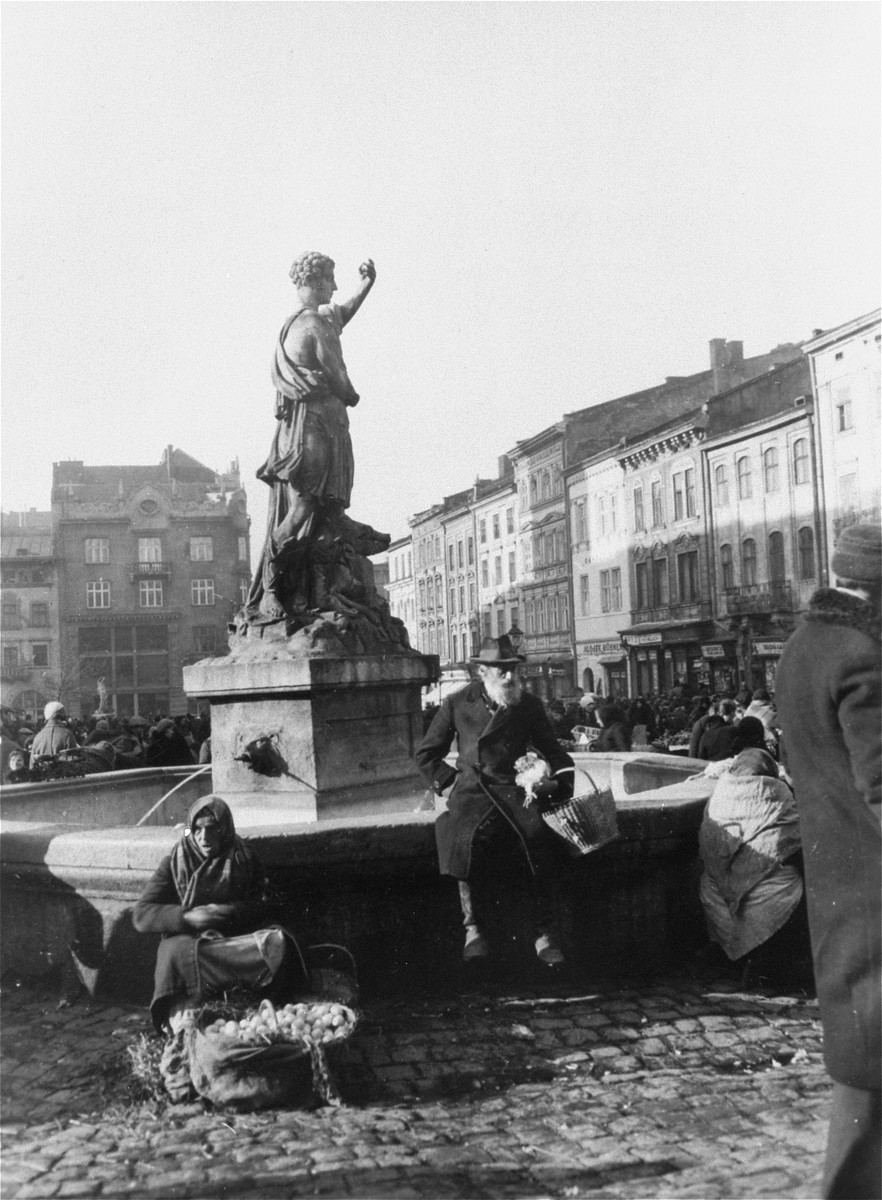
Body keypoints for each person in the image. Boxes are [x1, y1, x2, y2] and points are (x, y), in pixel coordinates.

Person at [776, 522, 881, 1200]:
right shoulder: (861, 656)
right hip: (876, 886)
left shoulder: (798, 649)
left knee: (863, 1066)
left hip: (835, 881)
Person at [415, 635, 575, 966]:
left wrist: (557, 782)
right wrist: (450, 783)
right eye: (501, 670)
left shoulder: (528, 705)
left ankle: (544, 934)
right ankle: (472, 929)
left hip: (518, 790)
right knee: (461, 837)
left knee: (540, 838)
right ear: (482, 671)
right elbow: (427, 754)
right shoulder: (457, 703)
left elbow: (554, 751)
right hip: (474, 792)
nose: (509, 676)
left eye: (512, 669)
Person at [241, 252, 380, 621]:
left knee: (329, 514)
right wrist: (352, 396)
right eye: (331, 281)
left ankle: (322, 592)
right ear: (316, 281)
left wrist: (365, 287)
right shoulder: (314, 327)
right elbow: (338, 376)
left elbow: (342, 314)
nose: (335, 288)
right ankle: (272, 590)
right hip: (313, 430)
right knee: (304, 508)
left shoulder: (306, 322)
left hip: (322, 426)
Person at [132, 796, 301, 1033]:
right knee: (173, 952)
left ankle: (256, 1005)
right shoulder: (177, 859)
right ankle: (187, 1010)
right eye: (197, 829)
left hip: (233, 942)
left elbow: (266, 901)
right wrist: (187, 917)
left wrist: (231, 911)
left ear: (225, 829)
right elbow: (141, 913)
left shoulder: (243, 857)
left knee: (277, 941)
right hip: (196, 945)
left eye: (212, 829)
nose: (204, 837)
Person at [698, 748, 806, 976]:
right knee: (794, 879)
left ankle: (724, 951)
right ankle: (768, 958)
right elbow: (796, 848)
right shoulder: (778, 796)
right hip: (768, 899)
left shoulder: (720, 795)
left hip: (718, 896)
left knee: (709, 882)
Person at [28, 701, 78, 767]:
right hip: (63, 776)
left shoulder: (38, 737)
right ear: (61, 715)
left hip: (43, 775)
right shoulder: (67, 734)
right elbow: (74, 762)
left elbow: (32, 765)